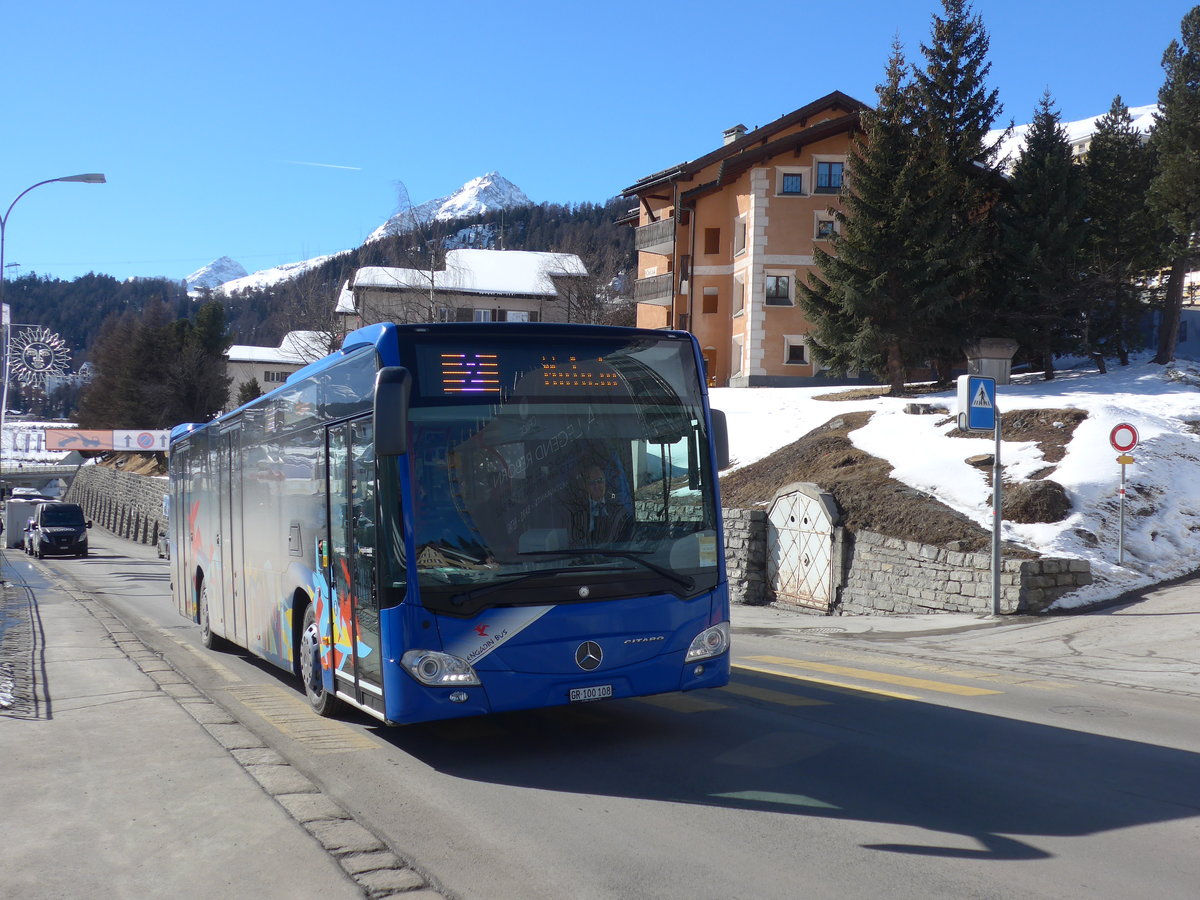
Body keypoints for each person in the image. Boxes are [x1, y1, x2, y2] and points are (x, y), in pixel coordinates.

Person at [568, 464, 632, 545]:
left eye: (600, 481)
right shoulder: (578, 512)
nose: (596, 486)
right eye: (591, 483)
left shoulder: (618, 509)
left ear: (605, 483)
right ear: (586, 486)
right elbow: (575, 541)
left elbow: (626, 542)